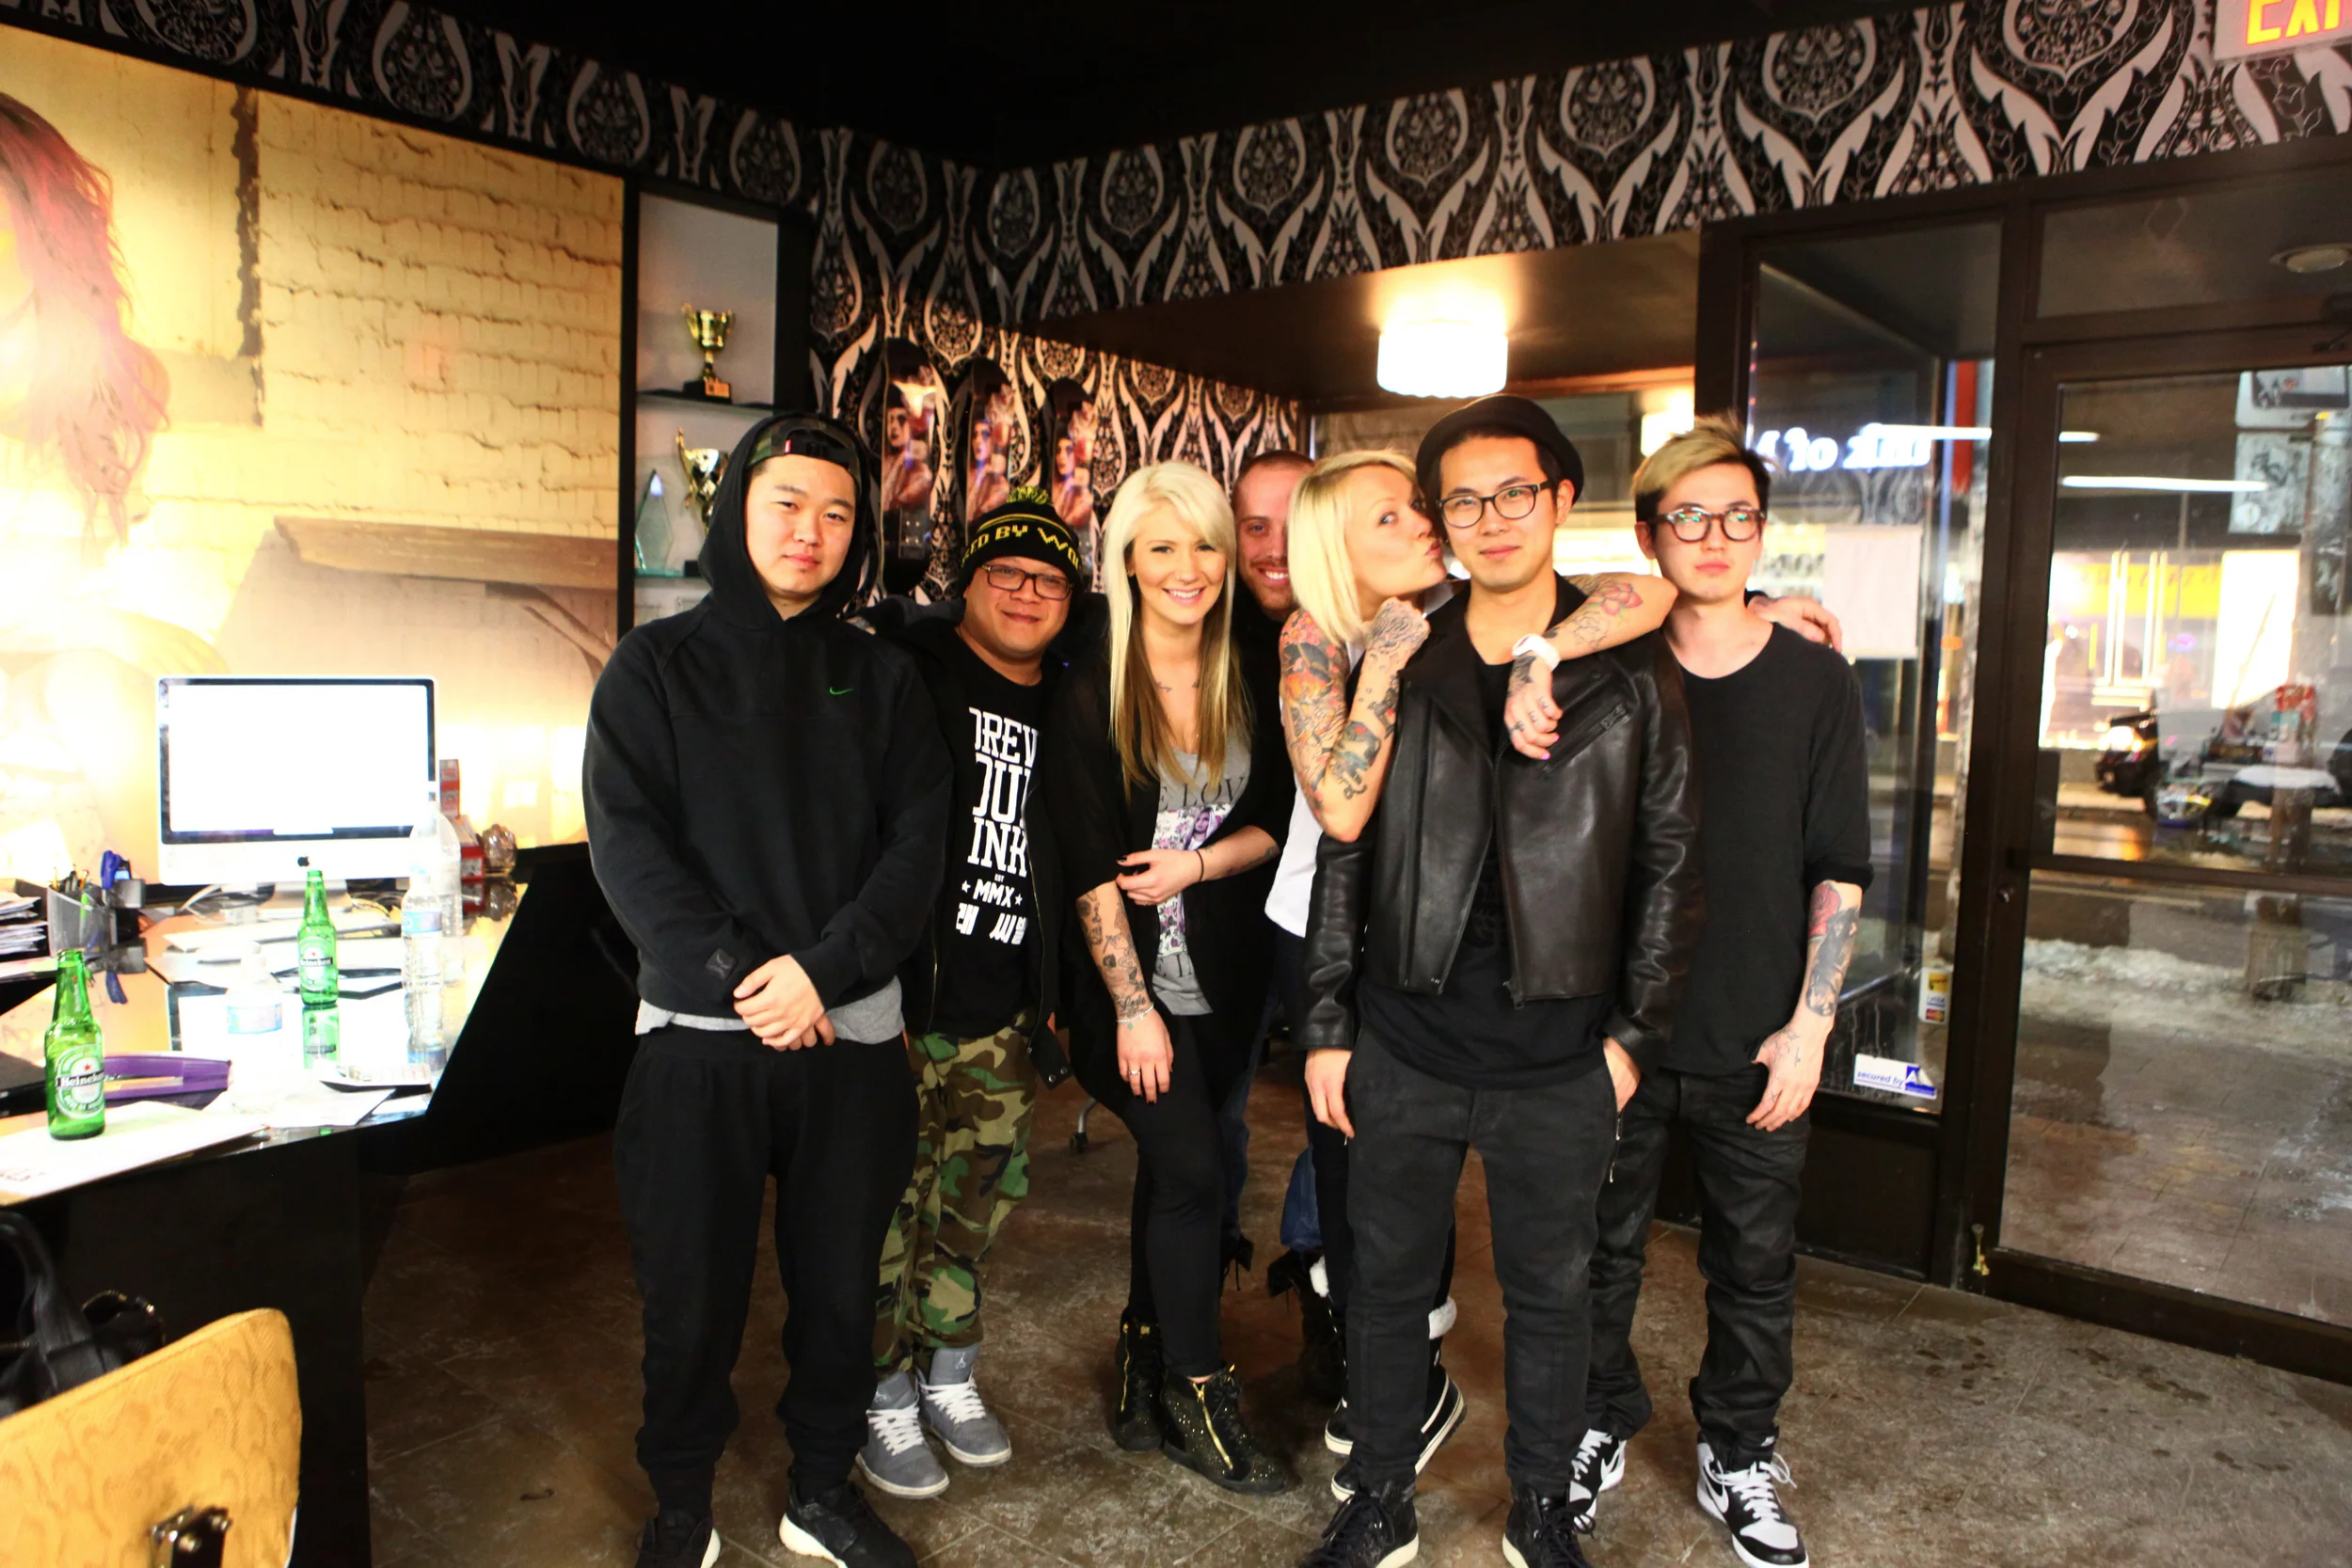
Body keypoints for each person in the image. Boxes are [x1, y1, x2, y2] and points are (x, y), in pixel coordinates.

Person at [1295, 395, 1704, 1568]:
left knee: (1552, 1294)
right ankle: (1377, 1495)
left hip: (1560, 1049)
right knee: (1382, 1286)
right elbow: (1345, 847)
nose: (1491, 518)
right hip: (1404, 1033)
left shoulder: (1623, 662)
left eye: (1515, 491)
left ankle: (1541, 1505)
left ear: (1562, 497)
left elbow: (1672, 859)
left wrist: (1631, 1037)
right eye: (1464, 500)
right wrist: (1325, 1021)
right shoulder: (1401, 649)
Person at [585, 412, 952, 1568]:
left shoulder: (886, 678)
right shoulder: (654, 666)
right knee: (687, 1296)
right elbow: (630, 851)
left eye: (837, 513)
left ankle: (822, 1491)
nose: (811, 530)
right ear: (737, 506)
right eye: (787, 503)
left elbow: (917, 852)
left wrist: (822, 974)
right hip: (698, 1039)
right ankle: (681, 1505)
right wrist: (751, 978)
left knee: (840, 1291)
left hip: (850, 1039)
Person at [1570, 420, 1872, 1568]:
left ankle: (1737, 1448)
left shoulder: (1815, 677)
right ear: (1649, 533)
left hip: (1759, 1031)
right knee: (1595, 1250)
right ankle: (1597, 1416)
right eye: (1687, 515)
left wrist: (1810, 1024)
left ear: (1762, 530)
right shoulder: (1610, 666)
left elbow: (1836, 863)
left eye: (1737, 514)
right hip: (1619, 1032)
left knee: (1754, 1263)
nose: (1714, 535)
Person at [1042, 460, 1296, 1494]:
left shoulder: (1253, 664)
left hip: (1226, 976)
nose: (1187, 567)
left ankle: (1141, 1356)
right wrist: (1131, 1007)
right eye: (1162, 548)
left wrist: (1198, 864)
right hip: (1125, 989)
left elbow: (1277, 820)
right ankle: (1197, 1391)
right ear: (1129, 564)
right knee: (1195, 1169)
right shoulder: (1091, 685)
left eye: (1204, 544)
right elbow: (1085, 866)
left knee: (1172, 1167)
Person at [857, 496, 1089, 1501]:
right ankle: (878, 1388)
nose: (1027, 592)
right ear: (970, 583)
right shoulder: (908, 671)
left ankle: (947, 1370)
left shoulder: (1075, 700)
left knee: (973, 1208)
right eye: (1007, 573)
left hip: (1006, 1011)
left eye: (1049, 579)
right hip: (899, 1004)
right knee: (881, 1211)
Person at [1214, 446, 1313, 1281]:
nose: (1274, 547)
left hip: (1330, 915)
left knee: (1340, 1111)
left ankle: (1317, 1278)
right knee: (1213, 1109)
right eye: (1255, 526)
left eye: (1294, 523)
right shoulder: (1202, 625)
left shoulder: (1368, 623)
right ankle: (1201, 1265)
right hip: (1224, 911)